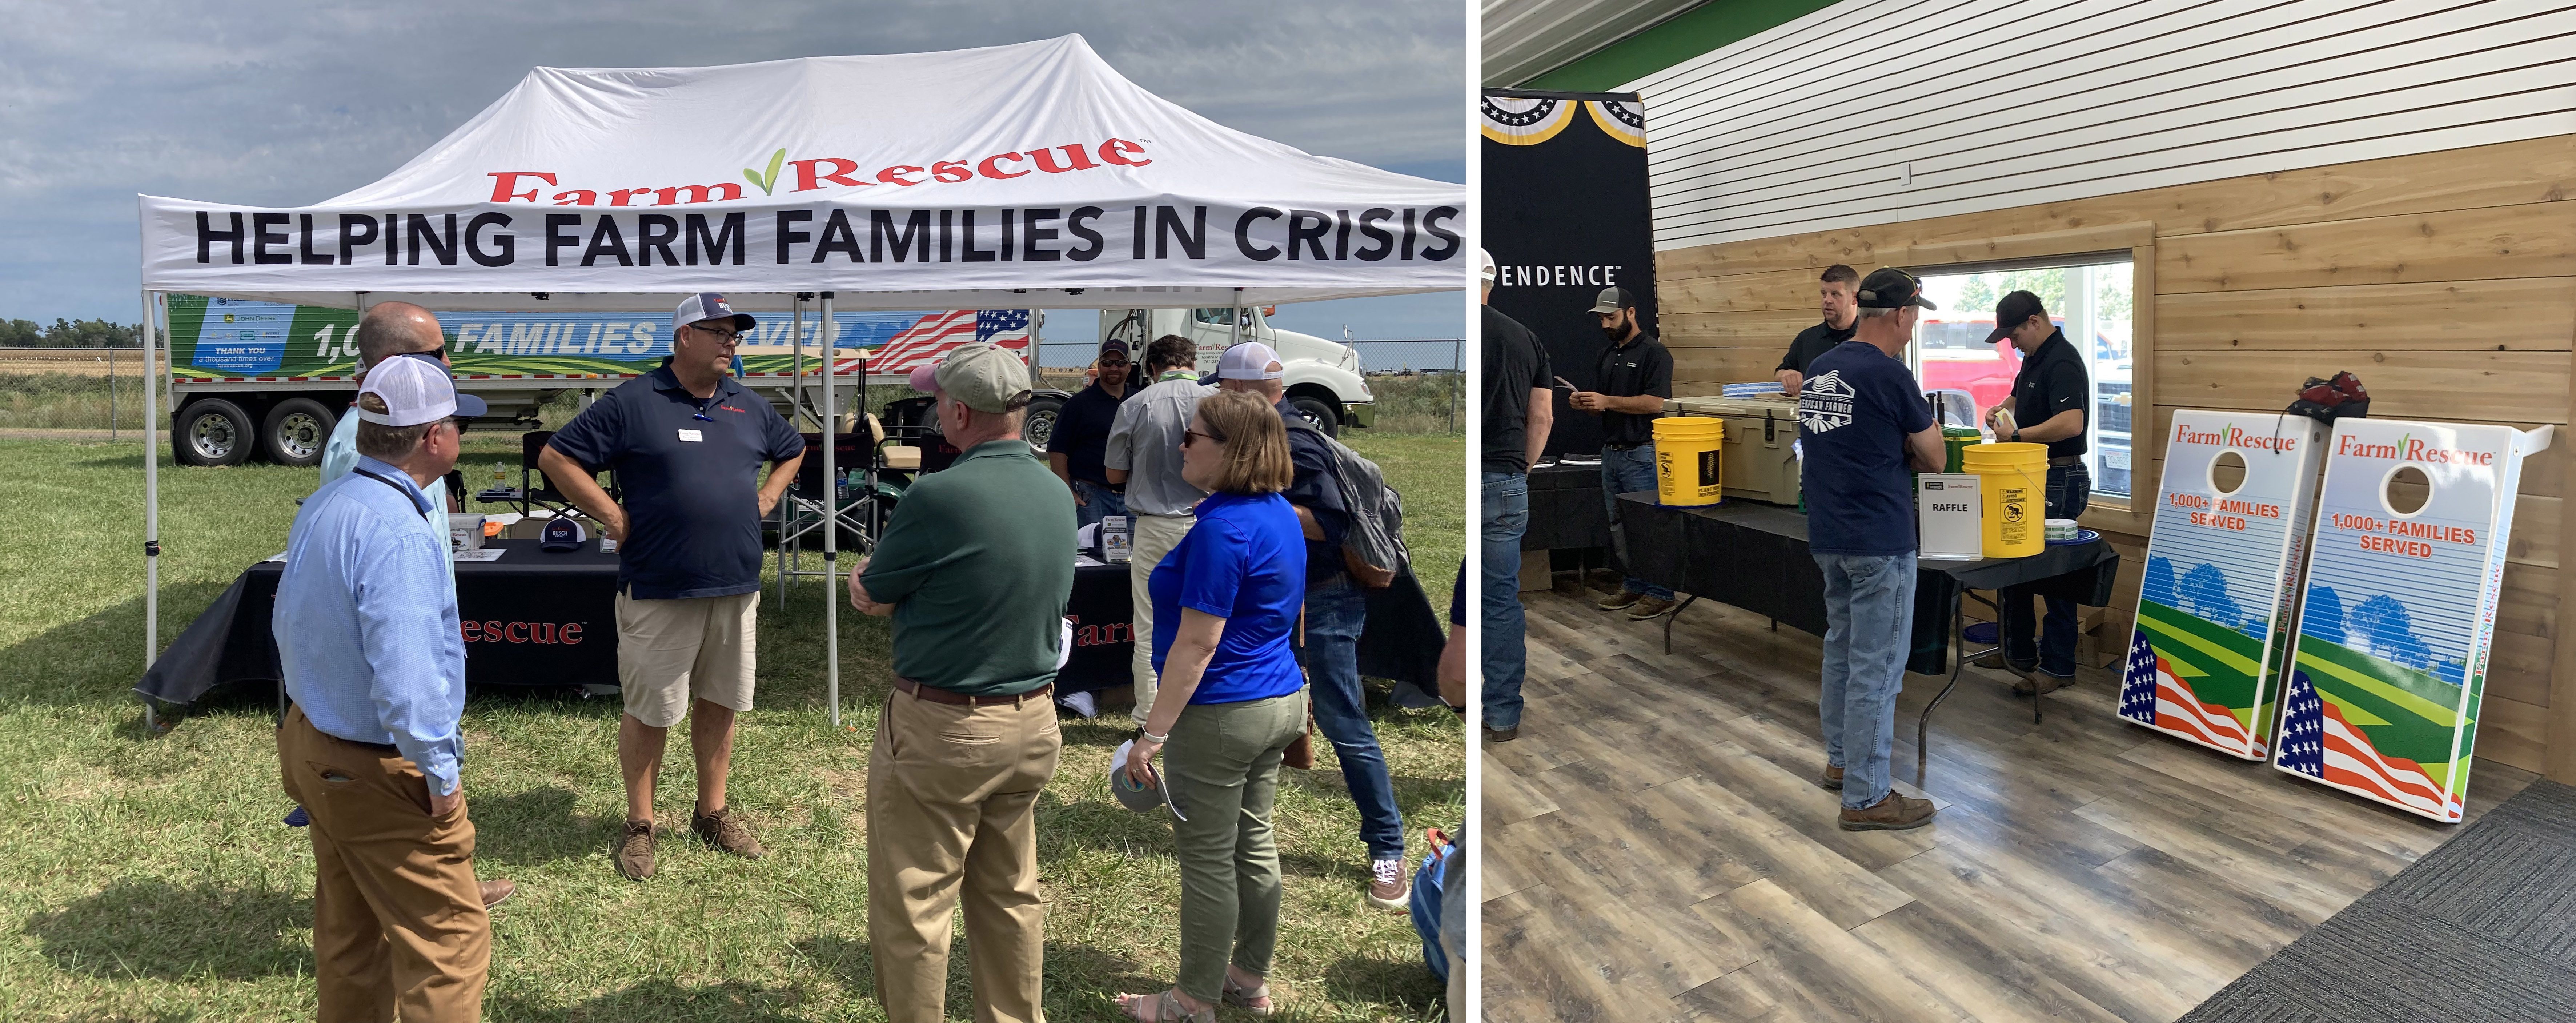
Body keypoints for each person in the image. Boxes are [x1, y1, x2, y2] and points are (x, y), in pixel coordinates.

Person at [539, 293, 805, 880]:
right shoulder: (635, 401)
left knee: (721, 699)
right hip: (659, 585)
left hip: (735, 583)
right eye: (719, 332)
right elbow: (559, 457)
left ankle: (712, 812)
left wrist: (767, 496)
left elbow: (793, 448)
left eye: (736, 334)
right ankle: (640, 823)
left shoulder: (747, 404)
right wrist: (612, 515)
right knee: (651, 707)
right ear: (684, 335)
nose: (730, 343)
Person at [848, 342, 1074, 1023]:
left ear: (960, 411)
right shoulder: (1055, 490)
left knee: (916, 901)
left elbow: (873, 590)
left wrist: (873, 586)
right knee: (1011, 893)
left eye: (939, 398)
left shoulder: (938, 494)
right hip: (1032, 719)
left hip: (946, 725)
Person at [272, 355, 495, 1022]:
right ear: (433, 438)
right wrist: (441, 774)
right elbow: (407, 677)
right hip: (378, 769)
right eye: (456, 421)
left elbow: (289, 624)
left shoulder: (329, 501)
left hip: (317, 744)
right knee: (450, 943)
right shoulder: (400, 528)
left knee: (352, 933)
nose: (461, 433)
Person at [1115, 390, 1309, 1023]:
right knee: (1253, 842)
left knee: (1206, 858)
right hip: (1279, 697)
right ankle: (1249, 976)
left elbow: (1199, 643)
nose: (1181, 444)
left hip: (1224, 709)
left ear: (1232, 450)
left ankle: (1192, 998)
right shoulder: (1278, 511)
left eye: (1193, 436)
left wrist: (1152, 733)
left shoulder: (1223, 529)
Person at [1215, 341, 1409, 909]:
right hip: (1290, 598)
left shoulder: (1290, 439)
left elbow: (1331, 521)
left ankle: (1388, 848)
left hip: (1322, 600)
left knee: (1345, 721)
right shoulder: (1273, 430)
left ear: (1245, 391)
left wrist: (1256, 504)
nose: (1220, 399)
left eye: (1224, 388)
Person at [1796, 267, 1946, 831]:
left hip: (1830, 535)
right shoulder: (1890, 376)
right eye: (1913, 317)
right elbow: (1935, 458)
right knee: (1877, 670)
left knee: (1842, 652)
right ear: (1901, 315)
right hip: (1880, 541)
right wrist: (1903, 448)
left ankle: (1840, 761)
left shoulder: (1819, 368)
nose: (1911, 328)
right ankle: (1866, 796)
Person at [1978, 290, 2093, 694]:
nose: (2011, 343)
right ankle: (2017, 652)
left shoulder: (2062, 360)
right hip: (2032, 476)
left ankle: (2059, 667)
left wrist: (2019, 435)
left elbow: (2072, 423)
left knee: (2056, 575)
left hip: (2059, 479)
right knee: (2016, 564)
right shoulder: (2035, 358)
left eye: (2014, 335)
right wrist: (2000, 409)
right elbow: (2019, 397)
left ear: (2034, 322)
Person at [1104, 334, 1213, 731]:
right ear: (1192, 362)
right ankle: (1205, 707)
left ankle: (1150, 718)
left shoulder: (1134, 405)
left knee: (1150, 624)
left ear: (1151, 367)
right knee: (1213, 620)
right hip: (1213, 522)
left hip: (1155, 524)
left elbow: (1114, 474)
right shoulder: (1219, 401)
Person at [1567, 285, 1676, 619]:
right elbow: (1604, 405)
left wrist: (1607, 402)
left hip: (1642, 452)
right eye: (1601, 319)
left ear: (1631, 313)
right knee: (1620, 525)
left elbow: (1657, 403)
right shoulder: (1607, 354)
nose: (1605, 325)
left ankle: (1660, 591)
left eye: (1611, 318)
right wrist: (1585, 403)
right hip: (1611, 453)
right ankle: (1634, 584)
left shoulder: (1655, 354)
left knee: (1648, 524)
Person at [1480, 249, 1550, 743]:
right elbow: (1542, 417)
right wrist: (1520, 468)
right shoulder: (1524, 337)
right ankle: (1503, 714)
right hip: (1505, 477)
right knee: (1501, 599)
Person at [321, 302, 463, 512]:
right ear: (392, 361)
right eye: (437, 353)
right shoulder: (368, 436)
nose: (447, 362)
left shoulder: (407, 419)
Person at [1047, 337, 1139, 531]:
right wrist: (1067, 491)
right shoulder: (1078, 404)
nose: (1114, 368)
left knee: (1133, 558)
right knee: (1091, 558)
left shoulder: (1139, 400)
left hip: (1132, 498)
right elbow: (1057, 450)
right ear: (1100, 367)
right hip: (1092, 496)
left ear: (1129, 368)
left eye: (1120, 363)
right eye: (1107, 363)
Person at [1775, 264, 1861, 394]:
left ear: (1854, 298)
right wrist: (1786, 375)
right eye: (1824, 294)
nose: (1828, 300)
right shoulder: (1806, 339)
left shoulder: (1874, 340)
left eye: (1835, 294)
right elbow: (1781, 372)